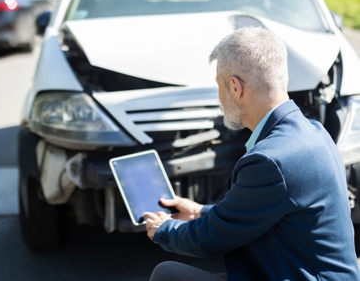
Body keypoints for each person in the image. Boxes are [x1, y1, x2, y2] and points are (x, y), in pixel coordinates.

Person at [143, 26, 360, 281]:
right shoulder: (312, 132)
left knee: (168, 274)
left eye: (219, 87)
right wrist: (200, 212)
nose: (220, 98)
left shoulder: (272, 160)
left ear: (235, 87)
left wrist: (163, 229)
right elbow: (258, 208)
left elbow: (213, 239)